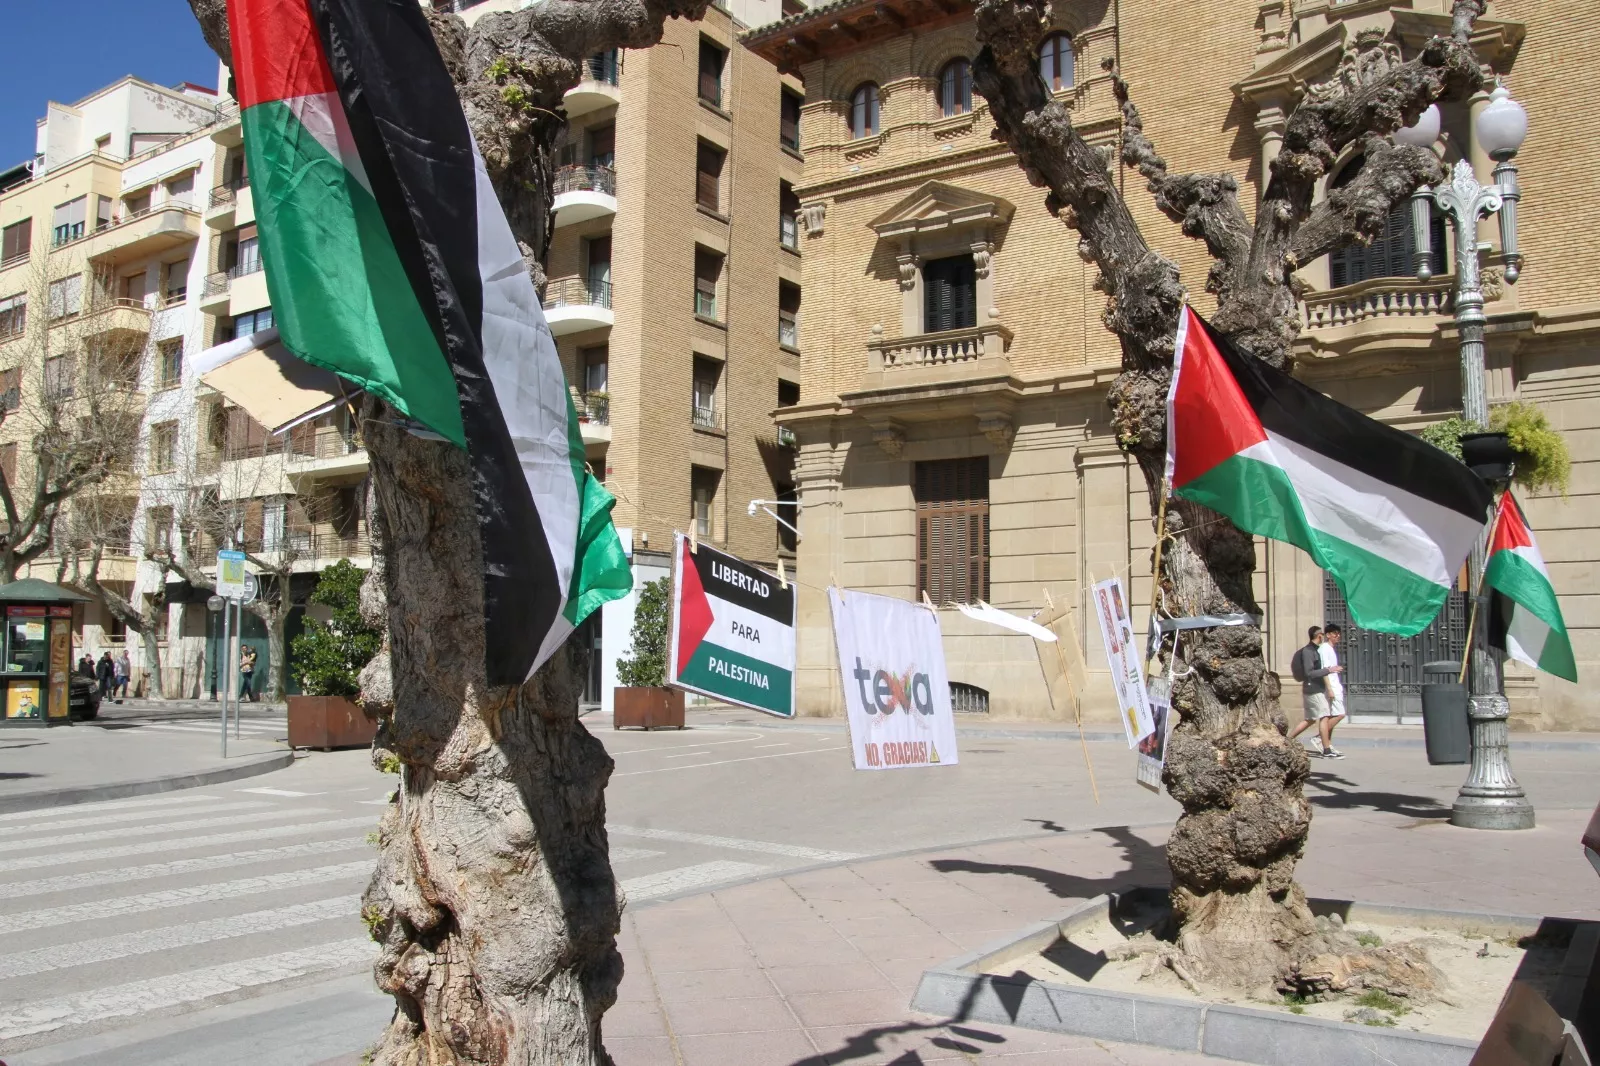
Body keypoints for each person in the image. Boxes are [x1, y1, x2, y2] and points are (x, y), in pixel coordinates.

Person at [1288, 625, 1341, 757]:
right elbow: (1309, 672)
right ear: (1319, 636)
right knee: (1324, 717)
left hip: (1316, 688)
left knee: (1310, 719)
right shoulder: (1308, 651)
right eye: (1323, 634)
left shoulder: (1317, 650)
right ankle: (1326, 749)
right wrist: (1329, 670)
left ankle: (1287, 740)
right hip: (1313, 689)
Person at [1317, 624, 1347, 758]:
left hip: (1336, 684)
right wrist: (1329, 689)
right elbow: (1324, 670)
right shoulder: (1324, 648)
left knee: (1334, 714)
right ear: (1328, 635)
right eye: (1335, 633)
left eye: (1339, 633)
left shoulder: (1330, 649)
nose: (1338, 636)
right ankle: (1320, 737)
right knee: (1340, 714)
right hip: (1331, 687)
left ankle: (1327, 744)